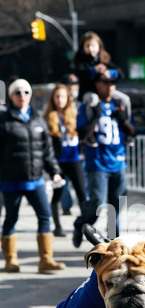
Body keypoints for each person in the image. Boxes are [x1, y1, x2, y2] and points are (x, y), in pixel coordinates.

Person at [0, 78, 66, 273]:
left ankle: (46, 260)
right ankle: (10, 260)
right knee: (11, 218)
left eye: (26, 92)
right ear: (11, 96)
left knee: (45, 216)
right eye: (17, 93)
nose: (22, 96)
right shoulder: (3, 120)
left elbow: (47, 152)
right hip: (11, 180)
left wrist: (54, 171)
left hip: (36, 179)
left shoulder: (38, 119)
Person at [72, 72, 135, 247]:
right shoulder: (90, 105)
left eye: (113, 82)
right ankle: (80, 224)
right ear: (96, 84)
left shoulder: (120, 105)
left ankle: (113, 242)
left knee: (116, 206)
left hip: (119, 162)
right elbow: (82, 133)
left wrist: (124, 122)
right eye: (105, 82)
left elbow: (133, 131)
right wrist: (96, 116)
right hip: (98, 163)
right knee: (97, 204)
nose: (110, 86)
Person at [44, 84, 87, 237]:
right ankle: (57, 227)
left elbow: (83, 133)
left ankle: (84, 226)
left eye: (62, 96)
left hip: (74, 159)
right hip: (58, 162)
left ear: (68, 98)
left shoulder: (74, 114)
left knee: (82, 193)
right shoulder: (48, 117)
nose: (60, 100)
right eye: (57, 97)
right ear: (53, 99)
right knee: (57, 194)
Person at [72, 31, 124, 101]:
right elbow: (80, 74)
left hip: (105, 92)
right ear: (83, 48)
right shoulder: (80, 60)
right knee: (93, 99)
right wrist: (94, 70)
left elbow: (120, 73)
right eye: (87, 46)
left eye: (93, 45)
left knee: (124, 99)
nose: (90, 48)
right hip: (88, 92)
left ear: (99, 46)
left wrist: (110, 73)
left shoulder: (104, 59)